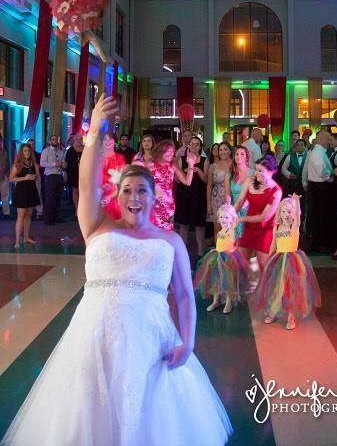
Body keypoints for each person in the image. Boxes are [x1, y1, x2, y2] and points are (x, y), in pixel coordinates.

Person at [2, 94, 232, 446]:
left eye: (142, 190)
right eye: (127, 190)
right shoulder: (97, 225)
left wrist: (188, 341)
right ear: (118, 194)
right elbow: (86, 182)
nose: (134, 197)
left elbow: (185, 297)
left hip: (151, 345)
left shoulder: (170, 242)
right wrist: (94, 129)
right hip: (92, 342)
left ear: (154, 197)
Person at [254, 195, 321, 330]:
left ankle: (291, 316)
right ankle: (273, 311)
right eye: (283, 211)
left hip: (291, 261)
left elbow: (298, 216)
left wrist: (296, 202)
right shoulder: (277, 227)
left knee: (290, 289)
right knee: (275, 288)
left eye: (289, 212)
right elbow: (273, 244)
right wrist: (268, 257)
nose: (286, 214)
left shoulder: (294, 227)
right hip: (278, 261)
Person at [195, 204, 248, 315]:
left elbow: (233, 242)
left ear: (232, 219)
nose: (223, 220)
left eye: (226, 217)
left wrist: (233, 227)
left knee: (227, 281)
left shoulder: (231, 231)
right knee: (216, 280)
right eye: (221, 217)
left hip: (228, 260)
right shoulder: (220, 232)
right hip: (217, 258)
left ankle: (228, 302)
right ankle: (216, 300)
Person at [234, 156, 282, 273]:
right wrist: (230, 213)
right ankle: (242, 288)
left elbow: (264, 217)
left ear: (272, 171)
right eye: (256, 169)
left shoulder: (276, 191)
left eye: (260, 170)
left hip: (265, 230)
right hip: (249, 227)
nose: (256, 173)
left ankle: (265, 290)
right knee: (240, 262)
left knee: (264, 265)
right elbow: (240, 201)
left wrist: (240, 219)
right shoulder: (250, 181)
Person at [149, 140, 196, 230]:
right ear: (160, 151)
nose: (171, 154)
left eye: (172, 152)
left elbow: (187, 182)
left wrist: (191, 164)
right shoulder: (150, 164)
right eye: (168, 151)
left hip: (167, 204)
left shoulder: (173, 165)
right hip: (152, 202)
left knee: (166, 232)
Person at [175, 136, 209, 257]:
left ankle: (201, 253)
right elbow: (177, 179)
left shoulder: (205, 160)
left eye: (197, 144)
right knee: (184, 225)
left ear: (200, 147)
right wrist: (186, 171)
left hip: (199, 196)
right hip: (184, 195)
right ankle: (182, 252)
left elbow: (207, 180)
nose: (194, 146)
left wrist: (198, 171)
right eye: (192, 144)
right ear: (188, 145)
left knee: (199, 226)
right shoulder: (182, 158)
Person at [303, 130, 336, 253]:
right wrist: (331, 176)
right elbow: (321, 172)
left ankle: (319, 242)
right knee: (319, 216)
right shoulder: (317, 152)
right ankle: (318, 243)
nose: (328, 142)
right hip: (319, 187)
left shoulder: (319, 151)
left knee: (318, 215)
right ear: (321, 139)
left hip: (317, 187)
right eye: (327, 139)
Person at [9, 144, 40, 248]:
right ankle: (17, 240)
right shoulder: (17, 164)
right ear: (21, 152)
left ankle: (26, 237)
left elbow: (38, 177)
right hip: (21, 192)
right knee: (21, 216)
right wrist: (25, 178)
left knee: (29, 215)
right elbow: (11, 178)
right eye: (25, 151)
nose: (27, 153)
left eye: (28, 151)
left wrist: (34, 177)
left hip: (31, 190)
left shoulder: (34, 164)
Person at [224, 145, 252, 239]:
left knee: (248, 239)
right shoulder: (229, 174)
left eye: (242, 154)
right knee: (234, 240)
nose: (239, 156)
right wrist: (228, 210)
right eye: (236, 154)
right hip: (234, 209)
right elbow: (228, 194)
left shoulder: (253, 173)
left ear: (247, 157)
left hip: (249, 210)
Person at [207, 142, 233, 240]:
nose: (223, 152)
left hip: (232, 198)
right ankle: (218, 253)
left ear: (230, 151)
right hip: (216, 199)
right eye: (220, 150)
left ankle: (230, 253)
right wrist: (209, 204)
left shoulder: (235, 164)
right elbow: (209, 186)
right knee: (217, 229)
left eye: (225, 149)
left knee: (230, 228)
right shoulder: (213, 166)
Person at [40, 135, 67, 225]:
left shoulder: (60, 152)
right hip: (50, 176)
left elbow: (63, 163)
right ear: (50, 141)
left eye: (56, 140)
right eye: (53, 139)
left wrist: (64, 165)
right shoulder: (46, 151)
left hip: (59, 176)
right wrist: (53, 164)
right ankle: (48, 219)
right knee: (49, 198)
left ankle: (55, 217)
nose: (55, 141)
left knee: (58, 198)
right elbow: (42, 163)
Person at [100, 132, 126, 220]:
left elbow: (120, 179)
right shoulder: (97, 158)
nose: (107, 142)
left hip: (114, 195)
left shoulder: (120, 157)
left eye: (110, 139)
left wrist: (109, 194)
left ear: (115, 141)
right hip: (98, 194)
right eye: (105, 139)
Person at [65, 134, 84, 213]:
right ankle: (77, 209)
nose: (79, 141)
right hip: (73, 173)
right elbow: (66, 162)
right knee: (75, 191)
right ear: (74, 140)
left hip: (84, 174)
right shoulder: (70, 150)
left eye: (80, 139)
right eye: (77, 139)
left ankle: (83, 209)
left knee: (83, 192)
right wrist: (65, 171)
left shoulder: (86, 149)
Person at [27, 138, 43, 218]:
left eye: (33, 144)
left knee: (38, 194)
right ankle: (29, 211)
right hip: (26, 178)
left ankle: (39, 211)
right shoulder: (24, 155)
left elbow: (41, 165)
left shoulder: (38, 155)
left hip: (36, 177)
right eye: (30, 144)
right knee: (28, 194)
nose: (31, 146)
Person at [0, 134, 10, 218]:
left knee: (5, 196)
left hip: (3, 177)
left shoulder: (4, 153)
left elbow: (7, 165)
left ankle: (6, 213)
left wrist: (7, 174)